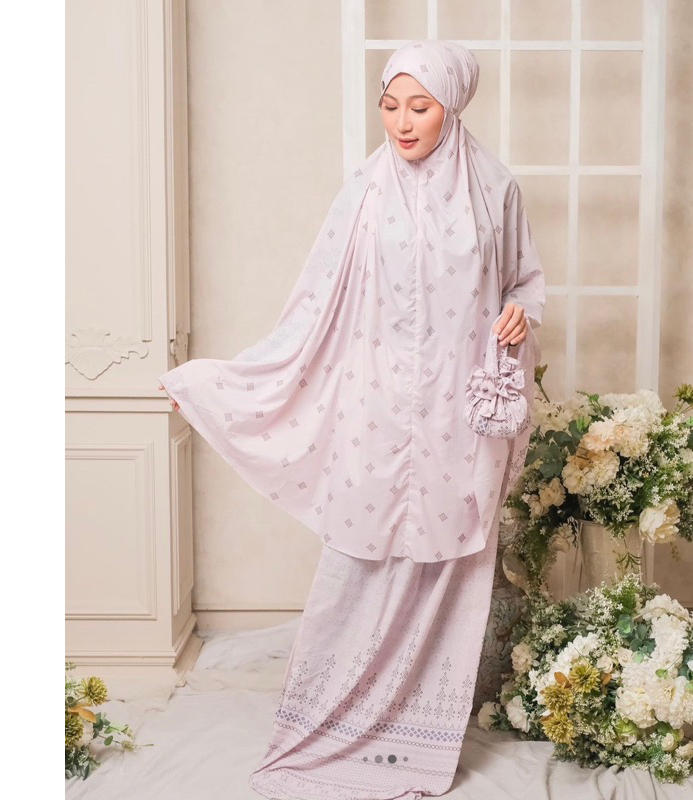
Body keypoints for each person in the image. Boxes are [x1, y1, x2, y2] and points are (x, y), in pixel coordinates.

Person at [160, 39, 545, 799]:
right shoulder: (366, 189)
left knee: (450, 557)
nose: (401, 122)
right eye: (389, 105)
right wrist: (227, 382)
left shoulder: (494, 189)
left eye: (419, 107)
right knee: (361, 553)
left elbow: (524, 281)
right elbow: (313, 302)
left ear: (452, 106)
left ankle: (417, 737)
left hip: (458, 410)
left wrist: (520, 313)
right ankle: (331, 724)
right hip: (377, 409)